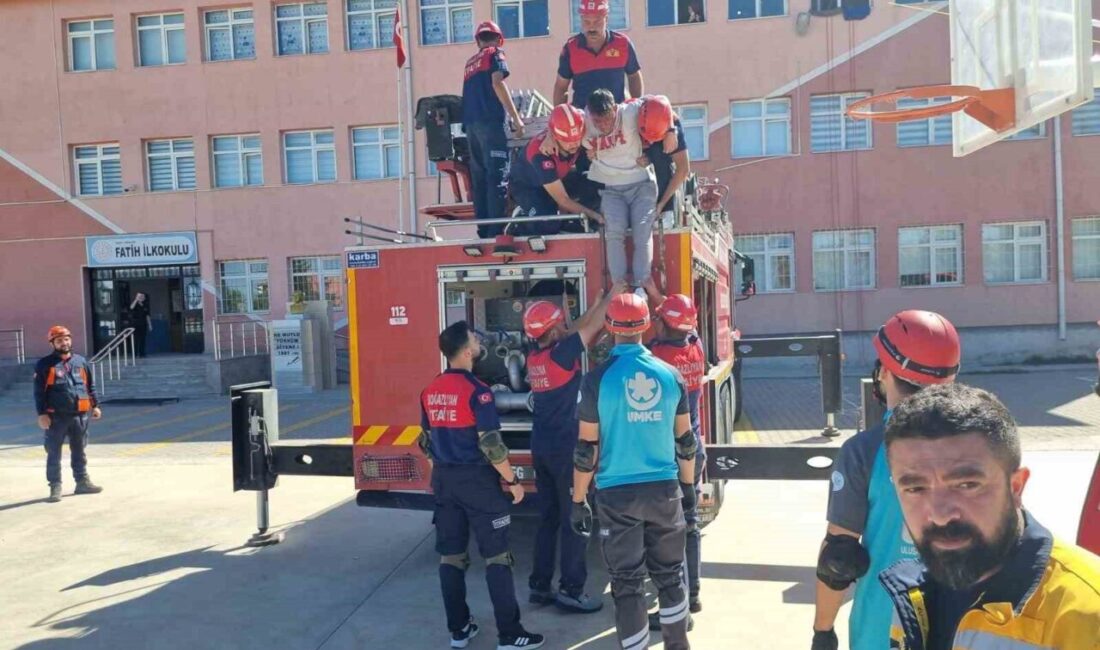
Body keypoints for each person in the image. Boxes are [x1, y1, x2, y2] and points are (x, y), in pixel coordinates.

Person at [881, 383, 1100, 650]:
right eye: (915, 488)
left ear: (1016, 486)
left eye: (967, 485)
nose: (939, 515)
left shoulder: (1089, 614)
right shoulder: (913, 591)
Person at [813, 310, 961, 650]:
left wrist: (823, 631)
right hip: (966, 627)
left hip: (884, 628)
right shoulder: (983, 448)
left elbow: (839, 559)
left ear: (885, 373)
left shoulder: (864, 452)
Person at [571, 292, 696, 650]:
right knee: (670, 577)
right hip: (664, 490)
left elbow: (585, 451)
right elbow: (686, 441)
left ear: (609, 327)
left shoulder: (596, 381)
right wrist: (686, 489)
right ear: (646, 325)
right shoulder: (670, 375)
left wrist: (578, 499)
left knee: (627, 584)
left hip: (616, 495)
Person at [418, 321, 544, 650]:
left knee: (452, 558)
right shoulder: (479, 391)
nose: (479, 341)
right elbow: (491, 445)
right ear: (467, 350)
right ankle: (510, 634)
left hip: (444, 481)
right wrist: (512, 480)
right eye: (474, 338)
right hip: (478, 483)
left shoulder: (430, 389)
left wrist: (443, 472)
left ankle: (459, 631)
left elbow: (425, 441)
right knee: (498, 558)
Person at [523, 285, 619, 614]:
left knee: (548, 518)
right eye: (559, 323)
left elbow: (573, 329)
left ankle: (540, 586)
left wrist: (594, 303)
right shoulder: (561, 353)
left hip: (542, 447)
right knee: (576, 516)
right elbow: (587, 330)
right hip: (566, 450)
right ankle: (572, 589)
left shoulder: (536, 354)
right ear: (551, 330)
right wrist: (611, 297)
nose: (565, 324)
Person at [647, 294, 708, 622]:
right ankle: (693, 594)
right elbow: (684, 324)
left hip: (670, 454)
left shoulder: (658, 356)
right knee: (690, 523)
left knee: (668, 530)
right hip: (693, 448)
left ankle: (677, 607)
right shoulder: (695, 347)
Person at [582, 89, 662, 292]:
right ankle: (619, 286)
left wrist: (659, 147)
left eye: (607, 120)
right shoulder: (583, 120)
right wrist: (548, 137)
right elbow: (555, 123)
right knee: (614, 234)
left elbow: (662, 106)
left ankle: (641, 286)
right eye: (597, 121)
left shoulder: (630, 112)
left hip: (641, 184)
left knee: (642, 233)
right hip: (611, 188)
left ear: (615, 110)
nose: (602, 126)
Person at [461, 20, 525, 239]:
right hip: (490, 124)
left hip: (471, 128)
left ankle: (483, 231)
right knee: (496, 177)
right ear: (500, 39)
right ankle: (496, 231)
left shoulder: (470, 63)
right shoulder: (494, 54)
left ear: (478, 40)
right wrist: (516, 119)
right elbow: (498, 82)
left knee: (479, 181)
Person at [507, 104, 604, 235]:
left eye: (576, 140)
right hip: (528, 187)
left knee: (595, 183)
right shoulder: (540, 155)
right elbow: (562, 199)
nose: (574, 145)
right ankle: (519, 223)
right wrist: (595, 216)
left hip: (558, 178)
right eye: (567, 141)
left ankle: (577, 223)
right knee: (548, 224)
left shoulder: (578, 122)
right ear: (556, 137)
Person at [33, 325, 103, 503]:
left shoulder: (80, 361)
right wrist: (42, 414)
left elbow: (90, 386)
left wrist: (95, 405)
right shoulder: (45, 364)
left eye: (66, 339)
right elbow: (39, 392)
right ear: (52, 343)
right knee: (54, 452)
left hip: (80, 415)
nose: (64, 343)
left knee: (79, 450)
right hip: (56, 417)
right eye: (59, 340)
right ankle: (55, 486)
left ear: (70, 340)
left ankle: (82, 482)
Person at [554, 0, 643, 110]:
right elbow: (561, 87)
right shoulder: (570, 49)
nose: (592, 28)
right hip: (583, 119)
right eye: (587, 22)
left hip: (617, 118)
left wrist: (635, 107)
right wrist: (560, 116)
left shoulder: (623, 44)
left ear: (606, 19)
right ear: (581, 20)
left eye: (597, 22)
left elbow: (634, 76)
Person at [639, 96, 692, 224]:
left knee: (660, 156)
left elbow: (683, 169)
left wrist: (662, 204)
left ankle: (665, 207)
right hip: (635, 193)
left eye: (655, 138)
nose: (650, 142)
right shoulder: (630, 113)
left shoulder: (673, 125)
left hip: (663, 190)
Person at [129, 292, 152, 358]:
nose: (141, 298)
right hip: (135, 324)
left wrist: (150, 325)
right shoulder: (135, 304)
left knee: (143, 339)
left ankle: (142, 353)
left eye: (142, 297)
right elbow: (131, 307)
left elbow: (147, 316)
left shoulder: (145, 305)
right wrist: (136, 299)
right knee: (135, 339)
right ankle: (135, 353)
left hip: (143, 324)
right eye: (140, 296)